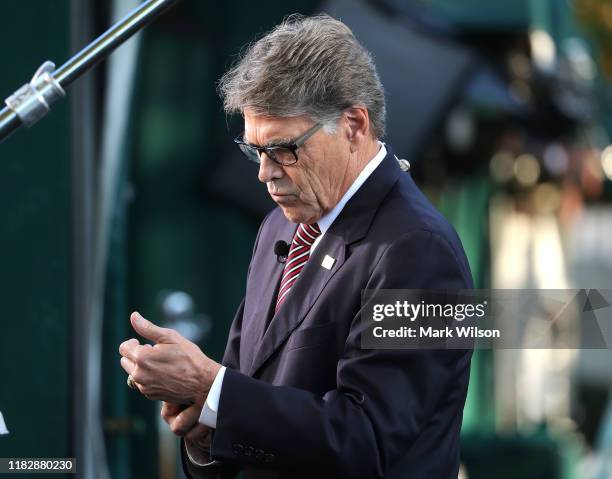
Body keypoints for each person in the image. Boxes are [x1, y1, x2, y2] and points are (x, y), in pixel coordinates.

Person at [119, 13, 473, 479]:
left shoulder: (422, 249)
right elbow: (248, 404)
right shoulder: (277, 229)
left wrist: (214, 388)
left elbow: (369, 442)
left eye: (285, 149)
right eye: (255, 151)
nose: (265, 172)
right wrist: (204, 426)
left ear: (353, 125)